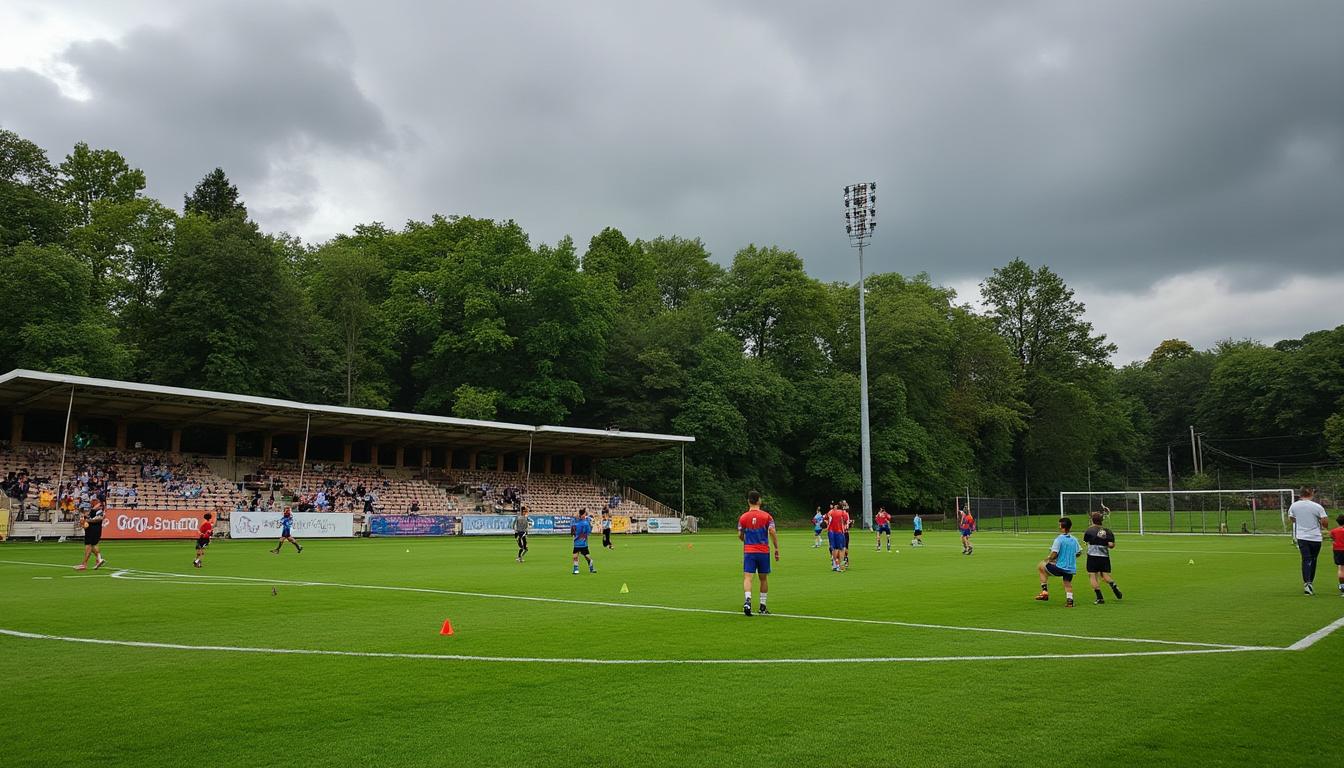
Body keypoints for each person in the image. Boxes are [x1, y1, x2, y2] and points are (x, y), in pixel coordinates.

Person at [738, 490, 779, 616]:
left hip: (749, 551)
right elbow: (772, 531)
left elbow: (740, 535)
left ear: (748, 501)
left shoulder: (743, 517)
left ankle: (748, 600)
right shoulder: (767, 516)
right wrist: (776, 548)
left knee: (748, 578)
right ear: (759, 500)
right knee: (763, 579)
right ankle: (762, 606)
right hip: (763, 551)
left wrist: (747, 541)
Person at [1288, 488, 1329, 595]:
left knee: (1306, 559)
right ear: (1311, 494)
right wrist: (1323, 526)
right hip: (1315, 537)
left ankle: (1307, 583)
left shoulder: (1294, 505)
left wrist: (1301, 521)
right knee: (1313, 559)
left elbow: (1291, 518)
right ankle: (1309, 582)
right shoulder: (1317, 506)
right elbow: (1324, 520)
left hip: (1301, 536)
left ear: (1300, 495)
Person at [1034, 517, 1080, 607]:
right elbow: (1079, 553)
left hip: (1060, 567)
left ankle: (1044, 592)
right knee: (1067, 583)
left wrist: (1048, 560)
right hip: (1070, 567)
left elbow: (1054, 553)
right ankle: (1070, 601)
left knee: (1041, 566)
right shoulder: (1074, 539)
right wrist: (1069, 557)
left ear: (1061, 527)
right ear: (1070, 527)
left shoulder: (1059, 539)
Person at [1082, 512, 1123, 604]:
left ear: (1092, 520)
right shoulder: (1108, 531)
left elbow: (1085, 541)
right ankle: (1113, 585)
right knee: (1105, 575)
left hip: (1092, 556)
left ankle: (1100, 598)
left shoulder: (1089, 530)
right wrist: (1104, 541)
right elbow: (1111, 545)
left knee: (1092, 575)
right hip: (1104, 556)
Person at [73, 498, 107, 571]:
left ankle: (84, 564)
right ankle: (99, 559)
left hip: (93, 531)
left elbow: (99, 519)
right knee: (94, 546)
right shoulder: (91, 511)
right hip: (92, 530)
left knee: (89, 547)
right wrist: (83, 523)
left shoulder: (97, 510)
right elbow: (84, 525)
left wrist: (87, 521)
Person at [825, 503, 849, 572]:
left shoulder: (830, 511)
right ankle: (841, 566)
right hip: (839, 531)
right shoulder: (843, 512)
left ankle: (835, 565)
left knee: (834, 548)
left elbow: (825, 518)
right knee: (841, 549)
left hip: (830, 532)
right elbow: (845, 521)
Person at [571, 509, 595, 574]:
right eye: (584, 514)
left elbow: (588, 533)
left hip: (584, 543)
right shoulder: (576, 521)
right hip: (576, 543)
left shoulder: (586, 523)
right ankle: (576, 569)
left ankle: (591, 567)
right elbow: (572, 531)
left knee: (587, 557)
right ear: (581, 515)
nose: (585, 515)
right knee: (575, 556)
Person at [1330, 514, 1344, 597]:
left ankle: (1342, 587)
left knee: (1341, 568)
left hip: (1338, 550)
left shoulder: (1334, 531)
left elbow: (1332, 538)